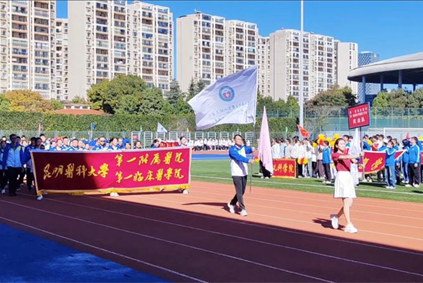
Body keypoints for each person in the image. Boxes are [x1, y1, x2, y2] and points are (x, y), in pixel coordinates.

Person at [330, 138, 362, 234]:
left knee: (349, 203)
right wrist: (357, 155)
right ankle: (348, 224)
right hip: (341, 177)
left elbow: (354, 161)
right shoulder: (335, 154)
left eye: (344, 143)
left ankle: (336, 216)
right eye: (341, 144)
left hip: (348, 176)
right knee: (346, 202)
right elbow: (345, 157)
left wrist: (360, 163)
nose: (343, 145)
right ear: (337, 146)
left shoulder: (347, 153)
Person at [227, 134, 255, 217]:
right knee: (239, 191)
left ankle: (232, 203)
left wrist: (252, 149)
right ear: (234, 140)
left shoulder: (243, 148)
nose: (239, 140)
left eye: (240, 139)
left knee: (242, 192)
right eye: (237, 139)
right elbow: (238, 157)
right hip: (236, 173)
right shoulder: (232, 150)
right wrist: (248, 160)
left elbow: (248, 150)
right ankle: (243, 209)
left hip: (244, 172)